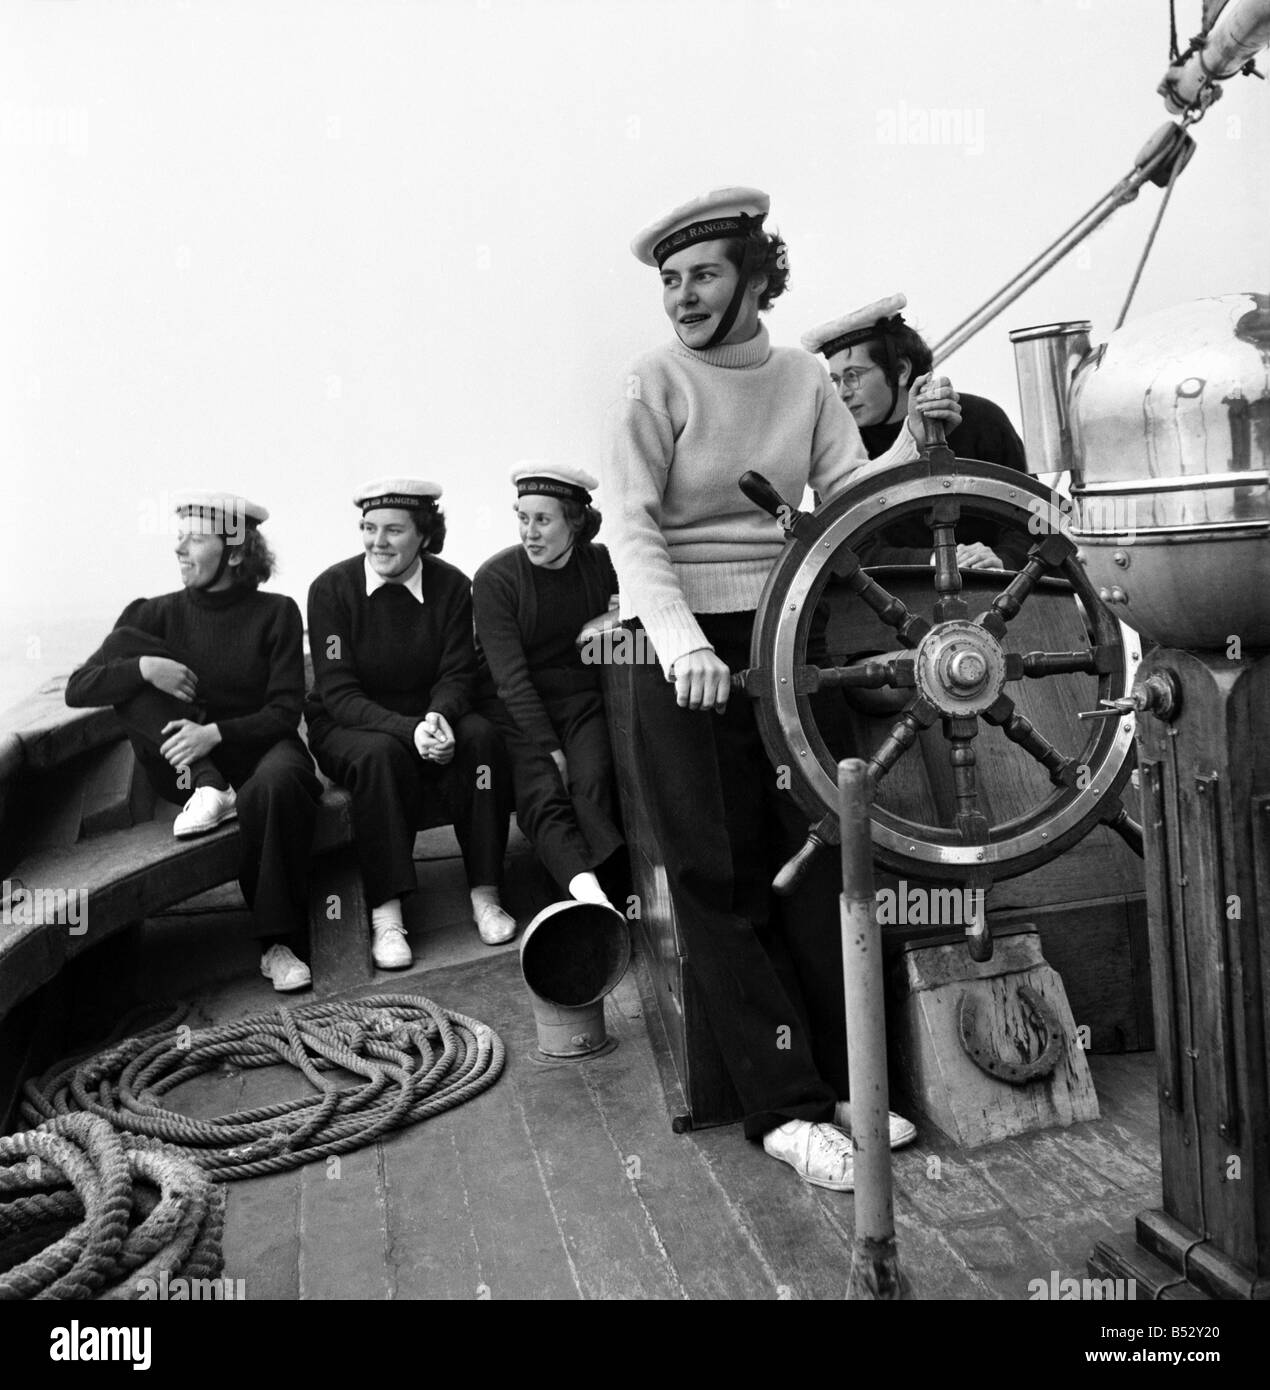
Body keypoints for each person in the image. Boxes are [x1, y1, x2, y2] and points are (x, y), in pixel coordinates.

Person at [606, 188, 960, 1191]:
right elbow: (633, 531)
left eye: (703, 274)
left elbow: (845, 495)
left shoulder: (804, 377)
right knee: (719, 880)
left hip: (789, 632)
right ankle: (785, 1109)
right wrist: (676, 642)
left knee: (815, 857)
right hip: (679, 643)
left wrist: (914, 446)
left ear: (758, 277)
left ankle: (846, 1085)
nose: (682, 296)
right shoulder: (651, 382)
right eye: (670, 281)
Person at [65, 491, 322, 992]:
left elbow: (284, 711)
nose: (179, 549)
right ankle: (210, 787)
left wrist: (216, 733)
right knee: (122, 655)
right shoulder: (153, 615)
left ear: (235, 551)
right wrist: (145, 668)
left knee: (282, 783)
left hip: (256, 743)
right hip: (185, 765)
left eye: (194, 539)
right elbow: (79, 687)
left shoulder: (277, 614)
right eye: (178, 538)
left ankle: (277, 945)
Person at [305, 478, 515, 970]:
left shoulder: (451, 586)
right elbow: (337, 692)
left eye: (392, 530)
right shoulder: (332, 590)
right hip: (348, 723)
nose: (377, 541)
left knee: (482, 738)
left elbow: (457, 671)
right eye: (368, 528)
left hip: (427, 714)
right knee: (381, 756)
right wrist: (411, 732)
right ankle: (387, 913)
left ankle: (486, 893)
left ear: (423, 534)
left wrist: (438, 718)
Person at [472, 463, 624, 908]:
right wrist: (549, 746)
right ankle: (588, 896)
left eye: (543, 520)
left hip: (580, 701)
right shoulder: (496, 579)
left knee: (593, 778)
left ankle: (600, 892)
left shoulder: (602, 564)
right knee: (543, 787)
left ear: (574, 522)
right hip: (514, 708)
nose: (529, 532)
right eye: (522, 518)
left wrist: (612, 617)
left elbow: (629, 626)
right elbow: (510, 680)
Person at [802, 294, 1030, 569]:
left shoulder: (984, 420)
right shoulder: (839, 447)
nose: (842, 394)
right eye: (836, 380)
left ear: (900, 370)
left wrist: (1003, 561)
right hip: (891, 601)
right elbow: (846, 548)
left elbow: (1035, 514)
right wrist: (937, 561)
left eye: (853, 376)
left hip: (998, 589)